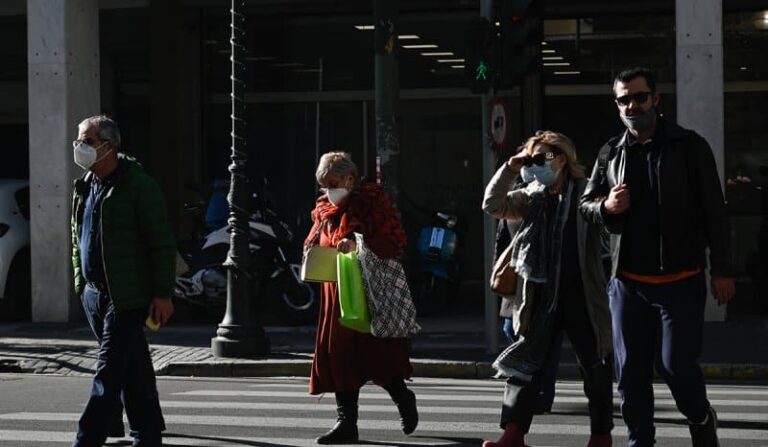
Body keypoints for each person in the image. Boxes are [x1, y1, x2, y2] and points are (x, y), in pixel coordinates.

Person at [579, 67, 735, 447]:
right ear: (616, 105)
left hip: (680, 283)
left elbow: (715, 211)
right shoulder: (610, 152)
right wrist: (606, 206)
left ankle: (700, 417)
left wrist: (723, 270)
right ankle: (639, 443)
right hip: (628, 285)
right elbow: (585, 204)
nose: (632, 105)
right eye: (623, 99)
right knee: (630, 376)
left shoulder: (689, 146)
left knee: (675, 367)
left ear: (656, 99)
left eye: (639, 97)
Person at [482, 131, 614, 447]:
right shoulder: (530, 196)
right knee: (524, 365)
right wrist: (512, 168)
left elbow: (609, 229)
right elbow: (492, 204)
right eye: (531, 159)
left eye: (541, 158)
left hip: (582, 296)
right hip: (539, 298)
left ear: (562, 159)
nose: (535, 165)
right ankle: (512, 435)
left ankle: (601, 436)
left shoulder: (587, 194)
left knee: (594, 368)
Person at [70, 115, 176, 447]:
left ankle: (86, 440)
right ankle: (148, 433)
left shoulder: (139, 186)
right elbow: (77, 238)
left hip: (126, 295)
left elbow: (161, 243)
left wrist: (162, 293)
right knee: (133, 366)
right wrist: (80, 283)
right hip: (94, 294)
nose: (79, 147)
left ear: (108, 146)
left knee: (108, 371)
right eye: (79, 139)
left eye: (86, 141)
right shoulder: (85, 185)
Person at [304, 151, 418, 444]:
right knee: (340, 358)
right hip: (335, 294)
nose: (329, 190)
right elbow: (316, 239)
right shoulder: (323, 208)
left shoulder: (372, 202)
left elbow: (395, 241)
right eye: (324, 185)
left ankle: (403, 398)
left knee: (377, 356)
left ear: (350, 179)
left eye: (334, 182)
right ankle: (346, 423)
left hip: (369, 291)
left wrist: (358, 244)